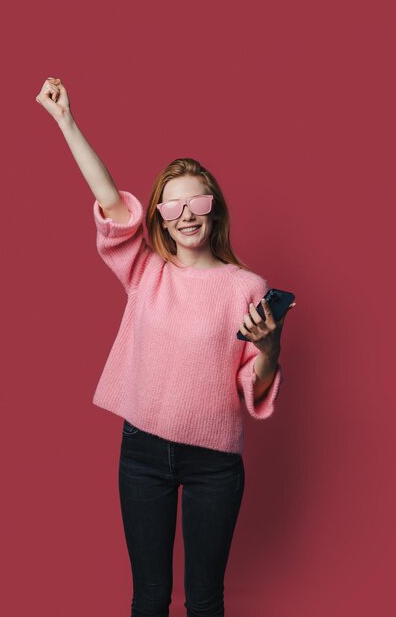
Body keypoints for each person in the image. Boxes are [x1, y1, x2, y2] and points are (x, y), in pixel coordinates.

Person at [36, 77, 296, 617]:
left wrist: (269, 348)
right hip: (143, 454)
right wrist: (67, 123)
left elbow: (256, 382)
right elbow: (110, 202)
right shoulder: (146, 271)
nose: (187, 214)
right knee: (150, 597)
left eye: (197, 200)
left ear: (215, 208)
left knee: (204, 600)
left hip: (215, 463)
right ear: (158, 216)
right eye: (172, 206)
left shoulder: (247, 287)